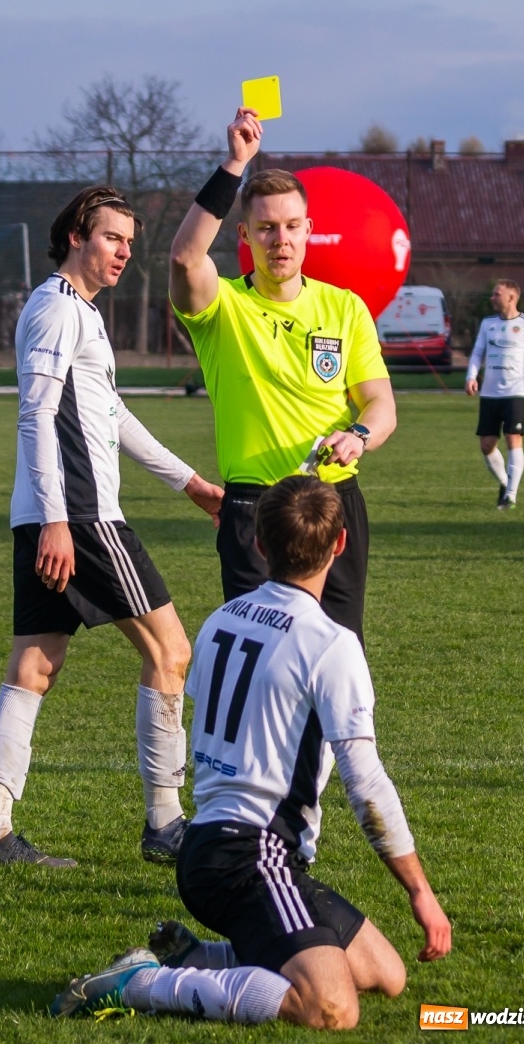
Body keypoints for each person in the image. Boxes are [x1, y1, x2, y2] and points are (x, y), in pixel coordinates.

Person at [51, 476, 452, 1027]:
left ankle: (199, 957)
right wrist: (421, 893)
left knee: (386, 974)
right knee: (331, 1008)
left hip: (212, 842)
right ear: (340, 545)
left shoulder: (221, 620)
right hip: (251, 855)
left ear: (260, 545)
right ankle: (142, 984)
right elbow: (367, 787)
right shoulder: (332, 644)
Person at [0, 185, 224, 869]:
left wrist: (190, 483)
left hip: (49, 515)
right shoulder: (57, 310)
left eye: (131, 243)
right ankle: (166, 823)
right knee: (171, 653)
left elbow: (110, 414)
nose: (125, 252)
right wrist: (58, 518)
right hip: (77, 516)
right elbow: (35, 414)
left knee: (35, 664)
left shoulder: (75, 311)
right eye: (114, 238)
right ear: (79, 233)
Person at [168, 108, 396, 646]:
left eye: (292, 226)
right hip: (254, 510)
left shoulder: (345, 309)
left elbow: (380, 406)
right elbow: (183, 258)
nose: (281, 240)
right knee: (263, 656)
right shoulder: (222, 305)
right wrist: (235, 163)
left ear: (309, 230)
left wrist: (358, 435)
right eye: (266, 228)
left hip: (333, 501)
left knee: (339, 651)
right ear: (244, 233)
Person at [465, 279, 524, 509]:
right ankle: (505, 483)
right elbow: (477, 353)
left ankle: (511, 496)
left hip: (516, 391)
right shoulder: (488, 324)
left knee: (513, 440)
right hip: (489, 394)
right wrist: (471, 377)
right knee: (486, 445)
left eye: (496, 294)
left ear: (511, 298)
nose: (492, 297)